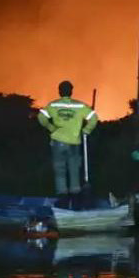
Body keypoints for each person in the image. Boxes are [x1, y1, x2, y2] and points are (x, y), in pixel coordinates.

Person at [37, 80, 98, 209]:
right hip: (74, 142)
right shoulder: (80, 106)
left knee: (60, 170)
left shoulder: (53, 105)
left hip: (58, 142)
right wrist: (86, 130)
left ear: (59, 91)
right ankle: (75, 201)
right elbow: (93, 117)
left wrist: (51, 127)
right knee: (74, 169)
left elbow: (41, 117)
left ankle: (63, 201)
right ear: (71, 91)